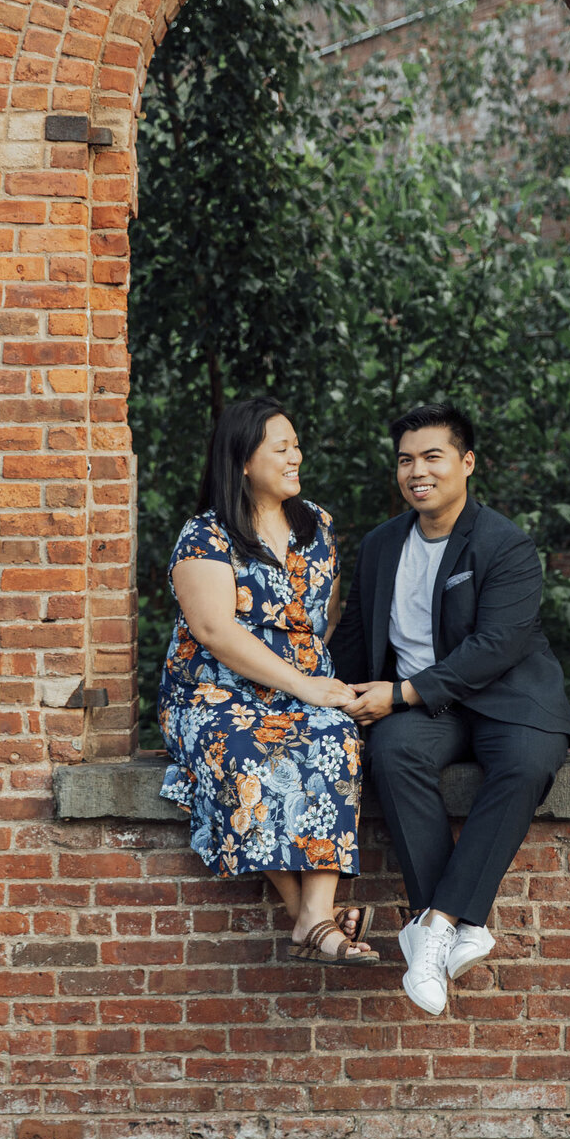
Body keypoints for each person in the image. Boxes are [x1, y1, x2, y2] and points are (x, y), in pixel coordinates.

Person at [331, 400, 570, 1012]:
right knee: (392, 751)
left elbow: (498, 645)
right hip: (424, 712)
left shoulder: (505, 544)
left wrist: (401, 693)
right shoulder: (383, 544)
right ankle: (457, 927)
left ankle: (433, 924)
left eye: (433, 457)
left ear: (466, 463)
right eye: (406, 460)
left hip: (506, 697)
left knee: (524, 763)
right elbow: (358, 636)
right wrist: (326, 696)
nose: (418, 471)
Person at [158, 396, 378, 964]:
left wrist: (315, 684)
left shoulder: (317, 525)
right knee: (250, 754)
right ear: (243, 462)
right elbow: (214, 630)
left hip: (301, 688)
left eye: (296, 445)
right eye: (281, 448)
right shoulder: (204, 535)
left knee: (334, 737)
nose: (295, 457)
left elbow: (323, 618)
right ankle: (320, 923)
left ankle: (313, 916)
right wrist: (303, 686)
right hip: (214, 692)